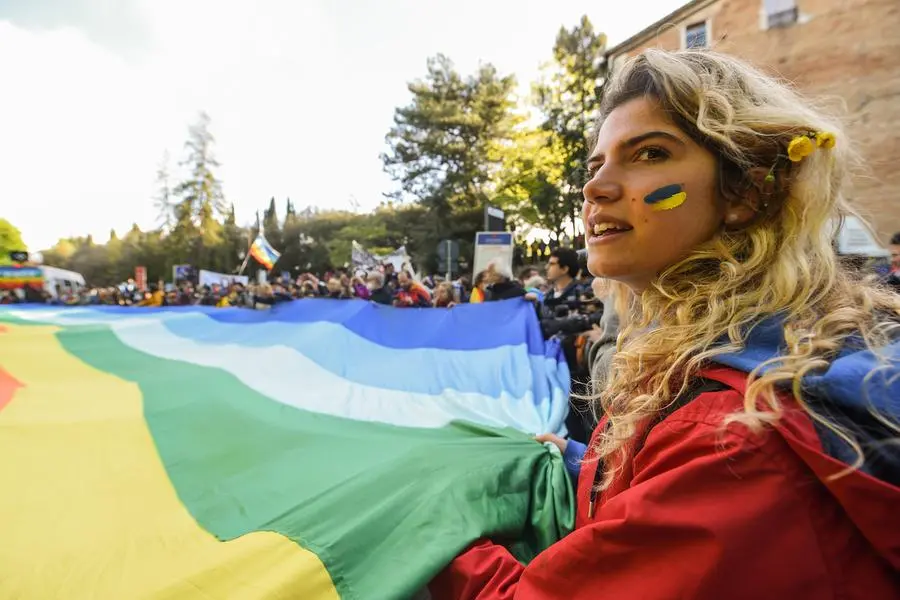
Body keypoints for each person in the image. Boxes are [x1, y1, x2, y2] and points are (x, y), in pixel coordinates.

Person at [430, 49, 899, 599]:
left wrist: (434, 533)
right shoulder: (736, 370)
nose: (595, 188)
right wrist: (585, 464)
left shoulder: (731, 437)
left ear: (747, 193)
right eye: (596, 164)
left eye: (649, 153)